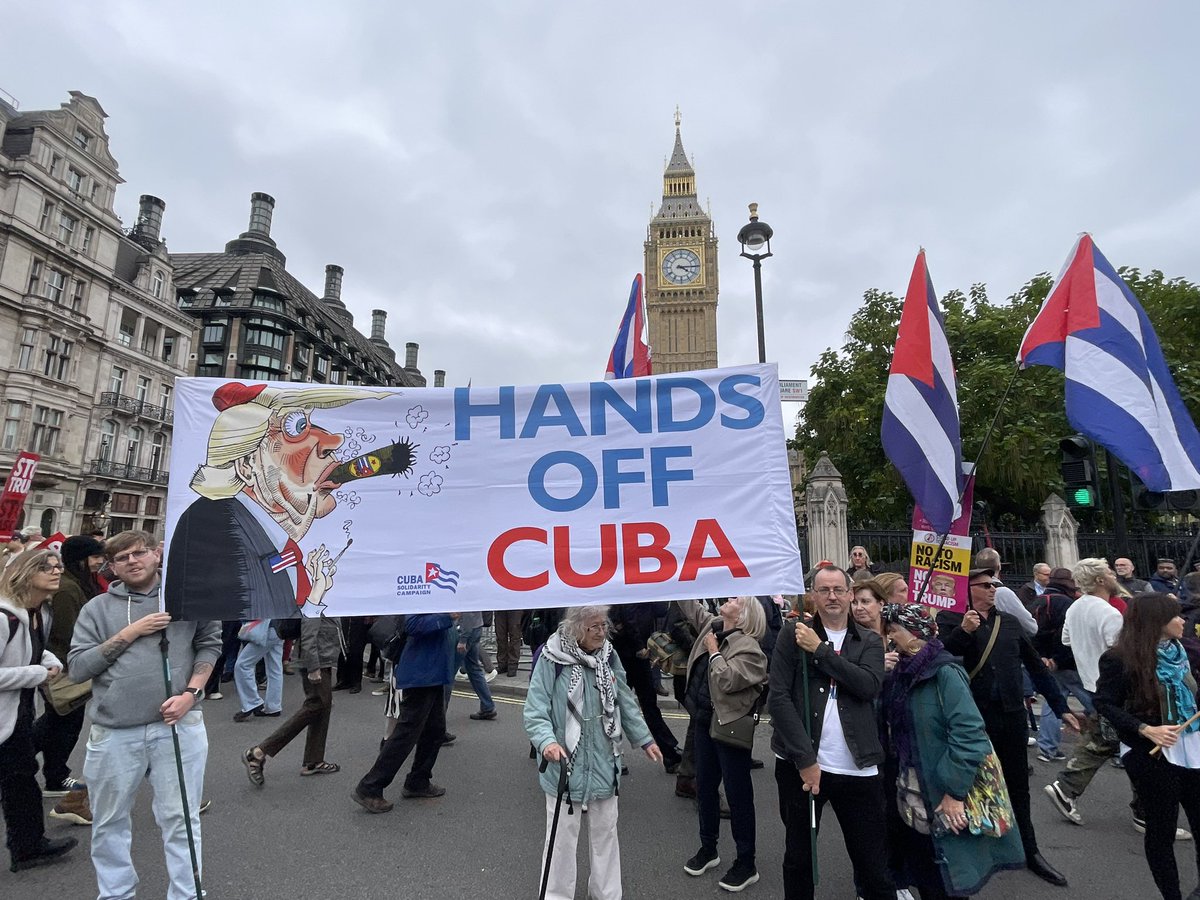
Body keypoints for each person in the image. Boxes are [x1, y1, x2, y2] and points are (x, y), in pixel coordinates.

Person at [69, 531, 220, 900]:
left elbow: (209, 644)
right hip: (115, 731)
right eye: (122, 558)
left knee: (181, 819)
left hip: (179, 725)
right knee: (109, 822)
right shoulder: (96, 609)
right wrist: (132, 631)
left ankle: (187, 894)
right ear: (112, 566)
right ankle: (116, 894)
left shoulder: (186, 598)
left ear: (156, 555)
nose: (132, 561)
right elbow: (78, 667)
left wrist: (192, 692)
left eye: (139, 553)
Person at [165, 382, 395, 621]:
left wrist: (314, 597)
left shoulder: (269, 534)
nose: (332, 441)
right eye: (294, 428)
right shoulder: (213, 524)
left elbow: (280, 621)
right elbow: (247, 629)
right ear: (246, 465)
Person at [937, 567, 1080, 887]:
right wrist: (963, 630)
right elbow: (944, 656)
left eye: (995, 585)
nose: (993, 590)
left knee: (1017, 786)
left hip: (1013, 715)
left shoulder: (1009, 622)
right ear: (969, 589)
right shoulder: (951, 619)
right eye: (986, 585)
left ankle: (1030, 850)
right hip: (974, 719)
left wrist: (1060, 707)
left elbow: (1035, 666)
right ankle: (969, 855)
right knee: (971, 787)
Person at [881, 603, 1024, 899]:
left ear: (914, 633)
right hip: (912, 792)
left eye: (893, 629)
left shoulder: (945, 672)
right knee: (925, 873)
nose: (890, 636)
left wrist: (955, 792)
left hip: (941, 792)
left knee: (946, 881)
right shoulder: (902, 672)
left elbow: (970, 733)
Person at [769, 564, 892, 900]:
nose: (832, 596)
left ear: (850, 595)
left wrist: (820, 651)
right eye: (824, 590)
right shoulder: (792, 633)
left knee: (873, 865)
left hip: (858, 768)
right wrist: (805, 759)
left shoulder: (868, 640)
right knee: (798, 859)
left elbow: (868, 686)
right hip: (803, 767)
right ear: (813, 596)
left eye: (839, 589)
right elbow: (778, 698)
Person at [523, 605, 660, 900]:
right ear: (575, 627)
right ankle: (556, 896)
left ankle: (606, 894)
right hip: (564, 764)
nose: (602, 632)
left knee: (606, 834)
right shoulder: (551, 657)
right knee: (561, 839)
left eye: (603, 626)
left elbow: (623, 696)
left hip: (603, 759)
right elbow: (536, 710)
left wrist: (645, 739)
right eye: (594, 627)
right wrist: (546, 742)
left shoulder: (608, 655)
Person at [1094, 594, 1200, 900]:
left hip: (1192, 744)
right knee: (1162, 830)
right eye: (1176, 616)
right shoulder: (1120, 658)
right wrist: (1145, 729)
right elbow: (1103, 703)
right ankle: (1172, 896)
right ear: (1157, 623)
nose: (1183, 621)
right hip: (1151, 754)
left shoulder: (1183, 651)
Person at [677, 596, 768, 892]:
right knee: (705, 786)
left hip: (729, 727)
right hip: (703, 721)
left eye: (735, 599)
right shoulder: (712, 626)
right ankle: (708, 848)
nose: (728, 598)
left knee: (737, 792)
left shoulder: (751, 649)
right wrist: (674, 579)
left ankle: (746, 862)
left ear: (743, 615)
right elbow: (691, 608)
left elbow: (728, 680)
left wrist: (714, 653)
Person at [0, 548, 78, 872]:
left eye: (58, 566)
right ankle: (29, 847)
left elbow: (33, 649)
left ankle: (29, 847)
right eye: (47, 567)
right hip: (6, 716)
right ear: (26, 573)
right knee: (20, 780)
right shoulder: (4, 617)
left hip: (17, 715)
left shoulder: (37, 613)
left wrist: (47, 659)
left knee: (21, 779)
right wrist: (36, 674)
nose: (57, 571)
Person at [352, 613, 456, 812]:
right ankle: (370, 786)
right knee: (406, 733)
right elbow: (413, 624)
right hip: (421, 672)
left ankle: (418, 781)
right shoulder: (422, 591)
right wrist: (447, 617)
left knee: (435, 731)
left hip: (432, 672)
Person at [35, 534, 106, 826]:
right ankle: (39, 769)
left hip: (70, 665)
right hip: (64, 667)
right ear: (81, 558)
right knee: (58, 722)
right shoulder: (67, 589)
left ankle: (55, 773)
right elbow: (65, 633)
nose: (100, 561)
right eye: (95, 556)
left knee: (63, 722)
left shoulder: (78, 584)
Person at [243, 614, 341, 783]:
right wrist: (313, 667)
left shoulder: (329, 596)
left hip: (323, 657)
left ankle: (313, 761)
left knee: (322, 707)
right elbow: (309, 631)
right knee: (316, 705)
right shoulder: (317, 594)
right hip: (316, 660)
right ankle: (258, 752)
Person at [611, 601, 682, 773]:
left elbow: (660, 610)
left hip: (634, 653)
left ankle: (669, 753)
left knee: (626, 706)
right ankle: (669, 753)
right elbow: (628, 617)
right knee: (619, 706)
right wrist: (639, 646)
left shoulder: (643, 588)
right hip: (630, 654)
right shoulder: (631, 587)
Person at [1031, 567, 1086, 763]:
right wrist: (1058, 658)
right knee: (1093, 700)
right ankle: (1112, 742)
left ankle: (1047, 747)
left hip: (1048, 661)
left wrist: (1042, 656)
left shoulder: (1039, 600)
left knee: (1053, 701)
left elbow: (1033, 632)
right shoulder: (1066, 603)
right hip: (1065, 662)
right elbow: (1067, 635)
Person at [232, 617, 284, 722]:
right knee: (275, 668)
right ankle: (273, 706)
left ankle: (252, 702)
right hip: (280, 627)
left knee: (242, 665)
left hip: (265, 627)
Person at [493, 606, 524, 677]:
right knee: (500, 636)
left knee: (515, 637)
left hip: (515, 607)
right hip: (500, 607)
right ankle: (502, 664)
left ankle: (513, 664)